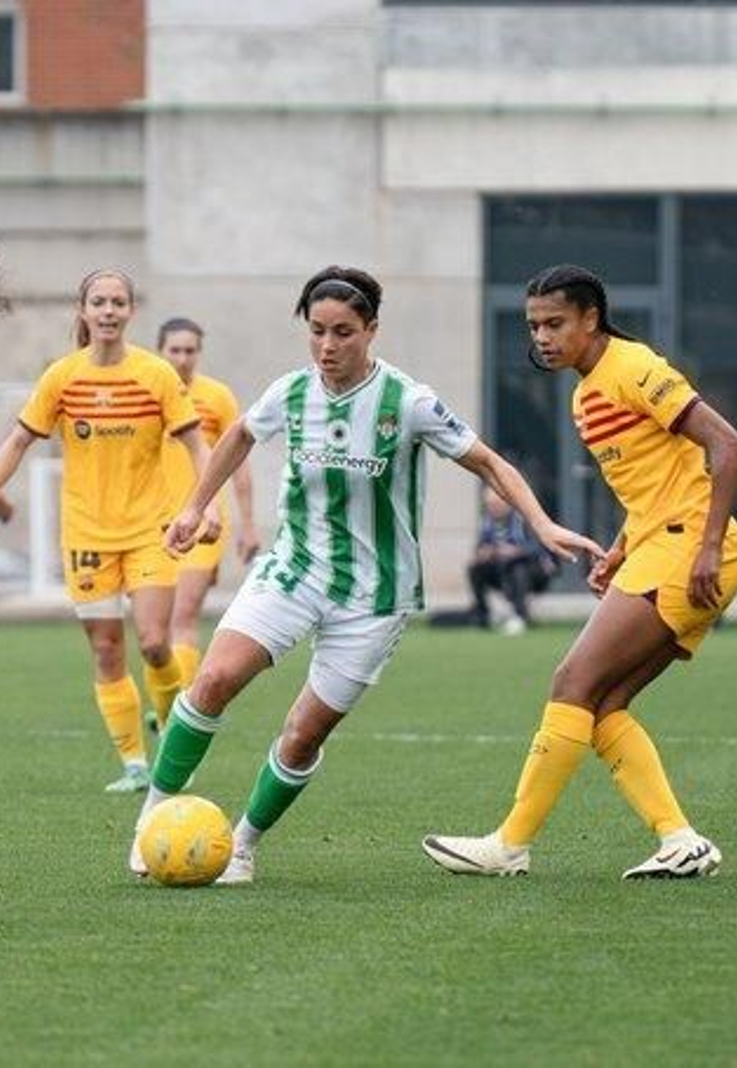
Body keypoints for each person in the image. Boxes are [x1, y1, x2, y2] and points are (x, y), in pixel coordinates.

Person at [129, 266, 604, 885]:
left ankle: (241, 846)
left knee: (302, 734)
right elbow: (241, 434)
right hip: (293, 570)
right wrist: (196, 505)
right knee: (214, 678)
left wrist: (540, 523)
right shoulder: (292, 392)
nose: (327, 347)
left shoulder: (407, 402)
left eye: (343, 333)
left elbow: (486, 461)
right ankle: (151, 820)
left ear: (371, 331)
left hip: (373, 597)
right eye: (317, 331)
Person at [422, 263, 737, 880]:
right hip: (664, 544)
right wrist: (624, 547)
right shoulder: (583, 391)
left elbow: (728, 446)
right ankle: (680, 839)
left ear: (591, 319)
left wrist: (707, 546)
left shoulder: (633, 368)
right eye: (534, 326)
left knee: (572, 680)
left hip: (689, 549)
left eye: (555, 323)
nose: (542, 337)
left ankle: (509, 844)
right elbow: (657, 482)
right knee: (601, 707)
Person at [0, 270, 215, 793]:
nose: (107, 310)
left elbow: (196, 446)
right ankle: (133, 765)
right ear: (83, 311)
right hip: (85, 537)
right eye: (98, 302)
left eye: (117, 302)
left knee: (151, 643)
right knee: (106, 650)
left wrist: (204, 504)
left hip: (149, 531)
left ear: (131, 312)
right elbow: (16, 443)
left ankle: (173, 739)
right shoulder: (63, 377)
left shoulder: (156, 375)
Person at [157, 317, 261, 717]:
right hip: (151, 522)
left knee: (184, 615)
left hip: (203, 522)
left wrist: (248, 523)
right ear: (161, 351)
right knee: (158, 629)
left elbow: (239, 463)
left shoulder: (217, 397)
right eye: (175, 350)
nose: (182, 358)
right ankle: (171, 696)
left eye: (190, 350)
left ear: (199, 353)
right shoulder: (151, 391)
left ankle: (181, 709)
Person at [468, 485, 558, 634]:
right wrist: (484, 553)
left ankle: (520, 616)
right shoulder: (486, 522)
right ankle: (482, 615)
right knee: (474, 569)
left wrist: (517, 551)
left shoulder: (523, 519)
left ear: (507, 503)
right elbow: (480, 547)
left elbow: (539, 548)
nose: (493, 508)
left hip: (532, 570)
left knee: (518, 568)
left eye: (496, 505)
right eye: (490, 505)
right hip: (500, 568)